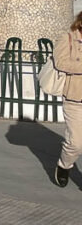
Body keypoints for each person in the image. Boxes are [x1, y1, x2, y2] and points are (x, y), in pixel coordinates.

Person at [51, 10, 82, 187]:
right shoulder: (68, 37)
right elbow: (60, 62)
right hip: (75, 98)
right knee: (76, 143)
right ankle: (64, 165)